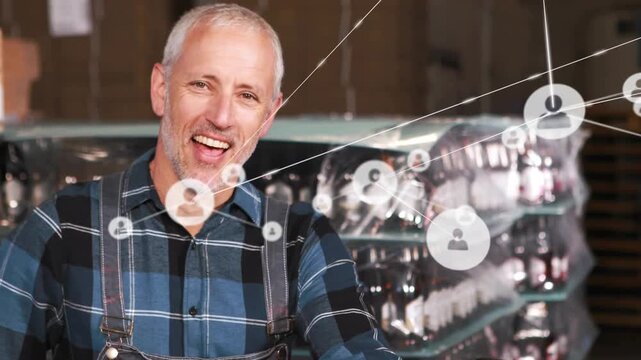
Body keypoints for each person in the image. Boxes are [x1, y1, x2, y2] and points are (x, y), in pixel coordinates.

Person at [0, 4, 398, 359]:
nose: (222, 117)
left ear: (268, 116)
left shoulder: (300, 241)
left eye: (246, 96)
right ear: (161, 90)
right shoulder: (63, 228)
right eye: (202, 85)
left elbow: (355, 348)